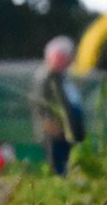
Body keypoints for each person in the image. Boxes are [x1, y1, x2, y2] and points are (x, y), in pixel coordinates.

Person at [31, 36, 86, 175]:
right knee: (59, 167)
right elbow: (41, 106)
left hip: (67, 132)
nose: (68, 60)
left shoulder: (63, 77)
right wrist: (51, 125)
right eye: (64, 57)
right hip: (55, 133)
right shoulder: (45, 78)